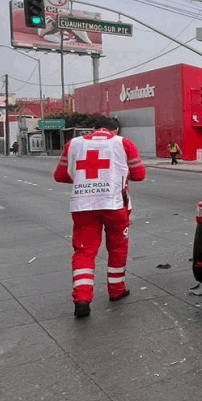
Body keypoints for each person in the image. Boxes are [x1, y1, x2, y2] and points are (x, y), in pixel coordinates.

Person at [54, 116, 147, 318]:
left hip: (83, 206)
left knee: (83, 252)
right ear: (115, 130)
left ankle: (82, 298)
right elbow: (139, 174)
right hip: (115, 206)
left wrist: (83, 180)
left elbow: (60, 176)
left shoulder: (73, 144)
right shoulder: (123, 143)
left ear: (93, 129)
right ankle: (116, 290)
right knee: (117, 248)